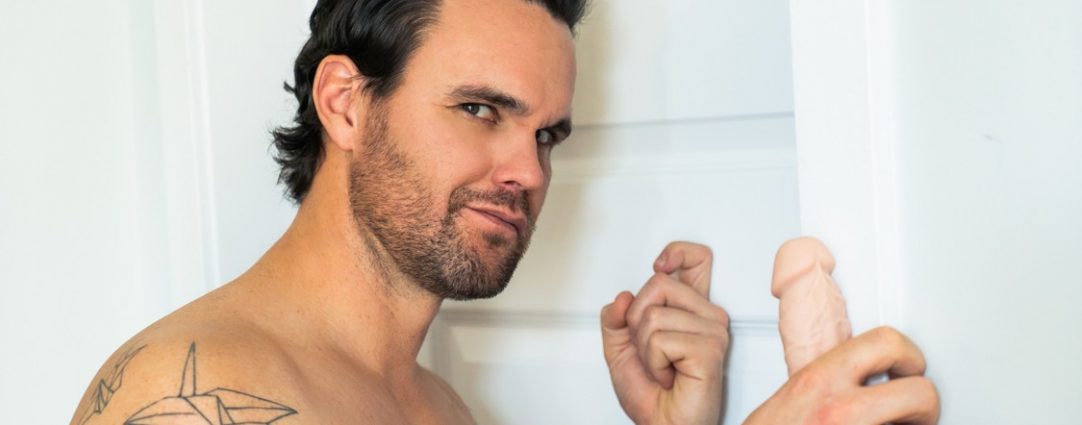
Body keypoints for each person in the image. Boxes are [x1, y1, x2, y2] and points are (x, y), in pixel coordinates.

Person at [69, 0, 940, 423]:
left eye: (547, 135)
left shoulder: (440, 407)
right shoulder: (184, 392)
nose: (527, 171)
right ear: (346, 104)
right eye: (480, 109)